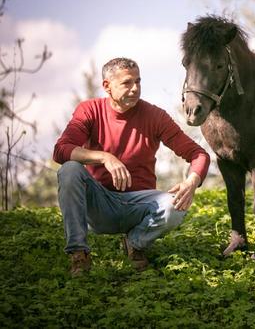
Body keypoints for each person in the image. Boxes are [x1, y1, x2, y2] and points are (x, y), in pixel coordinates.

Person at [53, 57, 210, 276]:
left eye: (138, 81)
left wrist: (192, 182)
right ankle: (79, 254)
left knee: (175, 206)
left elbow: (198, 154)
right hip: (100, 205)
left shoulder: (155, 116)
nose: (135, 88)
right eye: (127, 83)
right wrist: (104, 157)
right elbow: (61, 150)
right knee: (69, 169)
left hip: (140, 206)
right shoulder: (90, 110)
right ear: (107, 86)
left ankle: (135, 244)